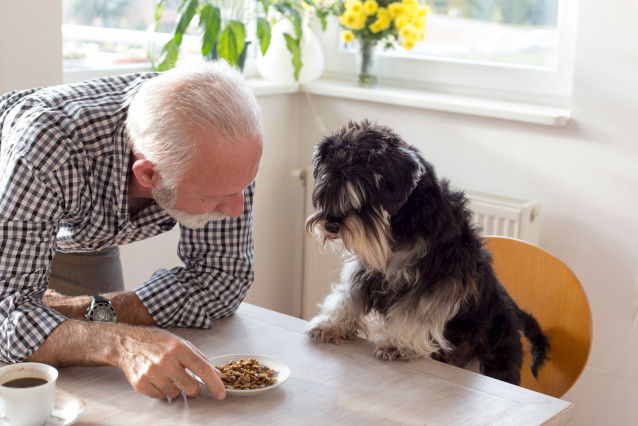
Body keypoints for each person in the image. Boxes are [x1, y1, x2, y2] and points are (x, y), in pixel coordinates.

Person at [0, 61, 263, 401]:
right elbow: (6, 320)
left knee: (95, 386)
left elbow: (221, 277)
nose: (237, 209)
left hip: (85, 230)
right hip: (15, 204)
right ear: (149, 175)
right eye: (214, 196)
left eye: (243, 186)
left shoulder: (221, 140)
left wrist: (90, 315)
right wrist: (121, 342)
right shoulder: (47, 151)